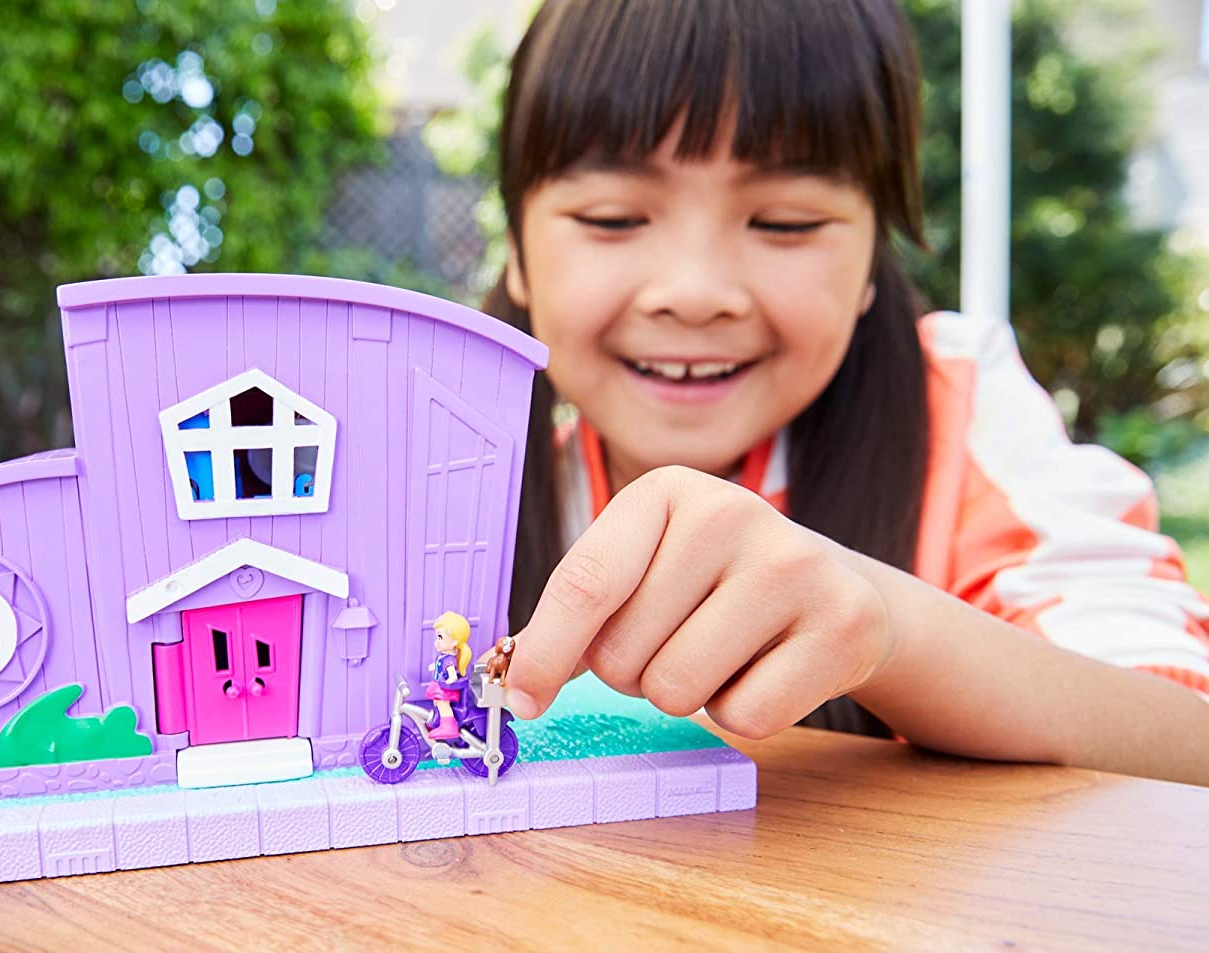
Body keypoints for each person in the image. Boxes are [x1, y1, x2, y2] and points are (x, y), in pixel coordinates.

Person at [486, 0, 1209, 785]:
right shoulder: (452, 476)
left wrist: (888, 629)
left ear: (873, 257)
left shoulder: (966, 414)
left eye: (785, 222)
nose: (695, 293)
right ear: (517, 249)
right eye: (613, 217)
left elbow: (1184, 741)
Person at [427, 611, 473, 740]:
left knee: (443, 704)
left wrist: (451, 678)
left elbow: (451, 671)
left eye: (440, 637)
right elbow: (441, 665)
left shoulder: (449, 660)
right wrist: (434, 666)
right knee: (437, 702)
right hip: (440, 686)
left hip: (445, 688)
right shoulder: (445, 657)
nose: (436, 642)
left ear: (454, 642)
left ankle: (448, 726)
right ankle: (439, 720)